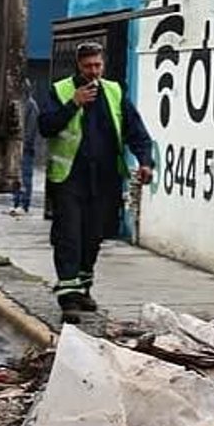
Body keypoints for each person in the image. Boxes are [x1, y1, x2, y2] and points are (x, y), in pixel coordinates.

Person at [40, 41, 153, 322]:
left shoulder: (114, 92)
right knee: (69, 236)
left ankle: (83, 288)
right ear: (79, 65)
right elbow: (45, 126)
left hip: (103, 179)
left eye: (97, 65)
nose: (93, 71)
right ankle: (68, 298)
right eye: (88, 66)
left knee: (93, 236)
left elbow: (135, 129)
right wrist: (73, 104)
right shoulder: (61, 90)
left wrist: (145, 161)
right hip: (69, 178)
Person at [11, 91, 39, 217]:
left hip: (25, 147)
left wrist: (25, 144)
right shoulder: (22, 104)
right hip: (18, 145)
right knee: (17, 175)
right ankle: (17, 204)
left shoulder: (31, 105)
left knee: (25, 175)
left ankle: (23, 204)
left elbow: (31, 130)